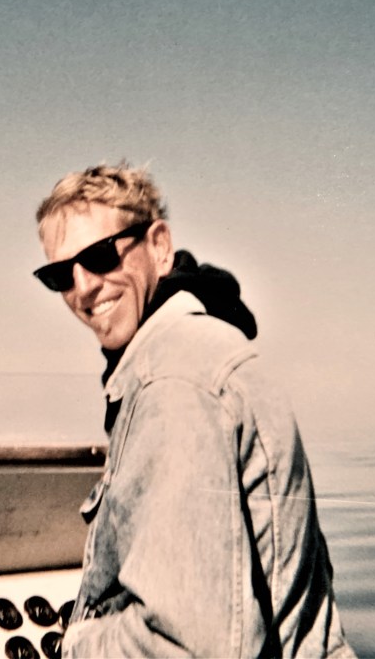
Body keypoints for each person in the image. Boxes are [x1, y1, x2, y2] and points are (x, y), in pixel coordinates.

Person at [33, 162, 355, 658]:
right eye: (59, 275)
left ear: (159, 246)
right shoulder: (204, 349)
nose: (82, 288)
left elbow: (186, 643)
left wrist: (76, 645)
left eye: (99, 256)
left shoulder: (173, 380)